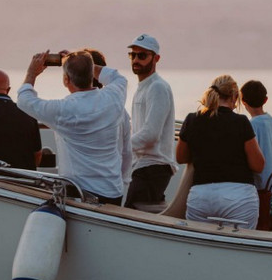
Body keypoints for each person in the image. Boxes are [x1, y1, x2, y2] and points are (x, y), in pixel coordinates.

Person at [17, 50, 128, 205]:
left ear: (66, 80)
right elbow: (116, 77)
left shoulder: (64, 110)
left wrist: (32, 72)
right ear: (92, 75)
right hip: (113, 191)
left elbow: (24, 100)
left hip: (82, 194)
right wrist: (83, 63)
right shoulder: (113, 97)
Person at [176, 75, 265, 228]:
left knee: (201, 248)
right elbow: (258, 165)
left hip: (201, 198)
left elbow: (180, 157)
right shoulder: (241, 122)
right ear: (235, 97)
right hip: (238, 198)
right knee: (240, 248)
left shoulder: (192, 120)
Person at [124, 34, 177, 209]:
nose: (136, 60)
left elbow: (151, 134)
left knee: (130, 220)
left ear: (156, 58)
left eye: (142, 55)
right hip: (143, 166)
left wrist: (119, 146)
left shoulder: (157, 87)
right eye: (133, 55)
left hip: (153, 167)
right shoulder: (143, 87)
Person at [82, 47, 133, 198]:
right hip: (113, 188)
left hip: (83, 189)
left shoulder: (73, 108)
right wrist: (121, 182)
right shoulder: (120, 110)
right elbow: (127, 153)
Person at [240, 79, 272, 231]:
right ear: (266, 100)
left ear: (243, 101)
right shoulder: (270, 119)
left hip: (264, 185)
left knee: (270, 224)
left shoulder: (252, 124)